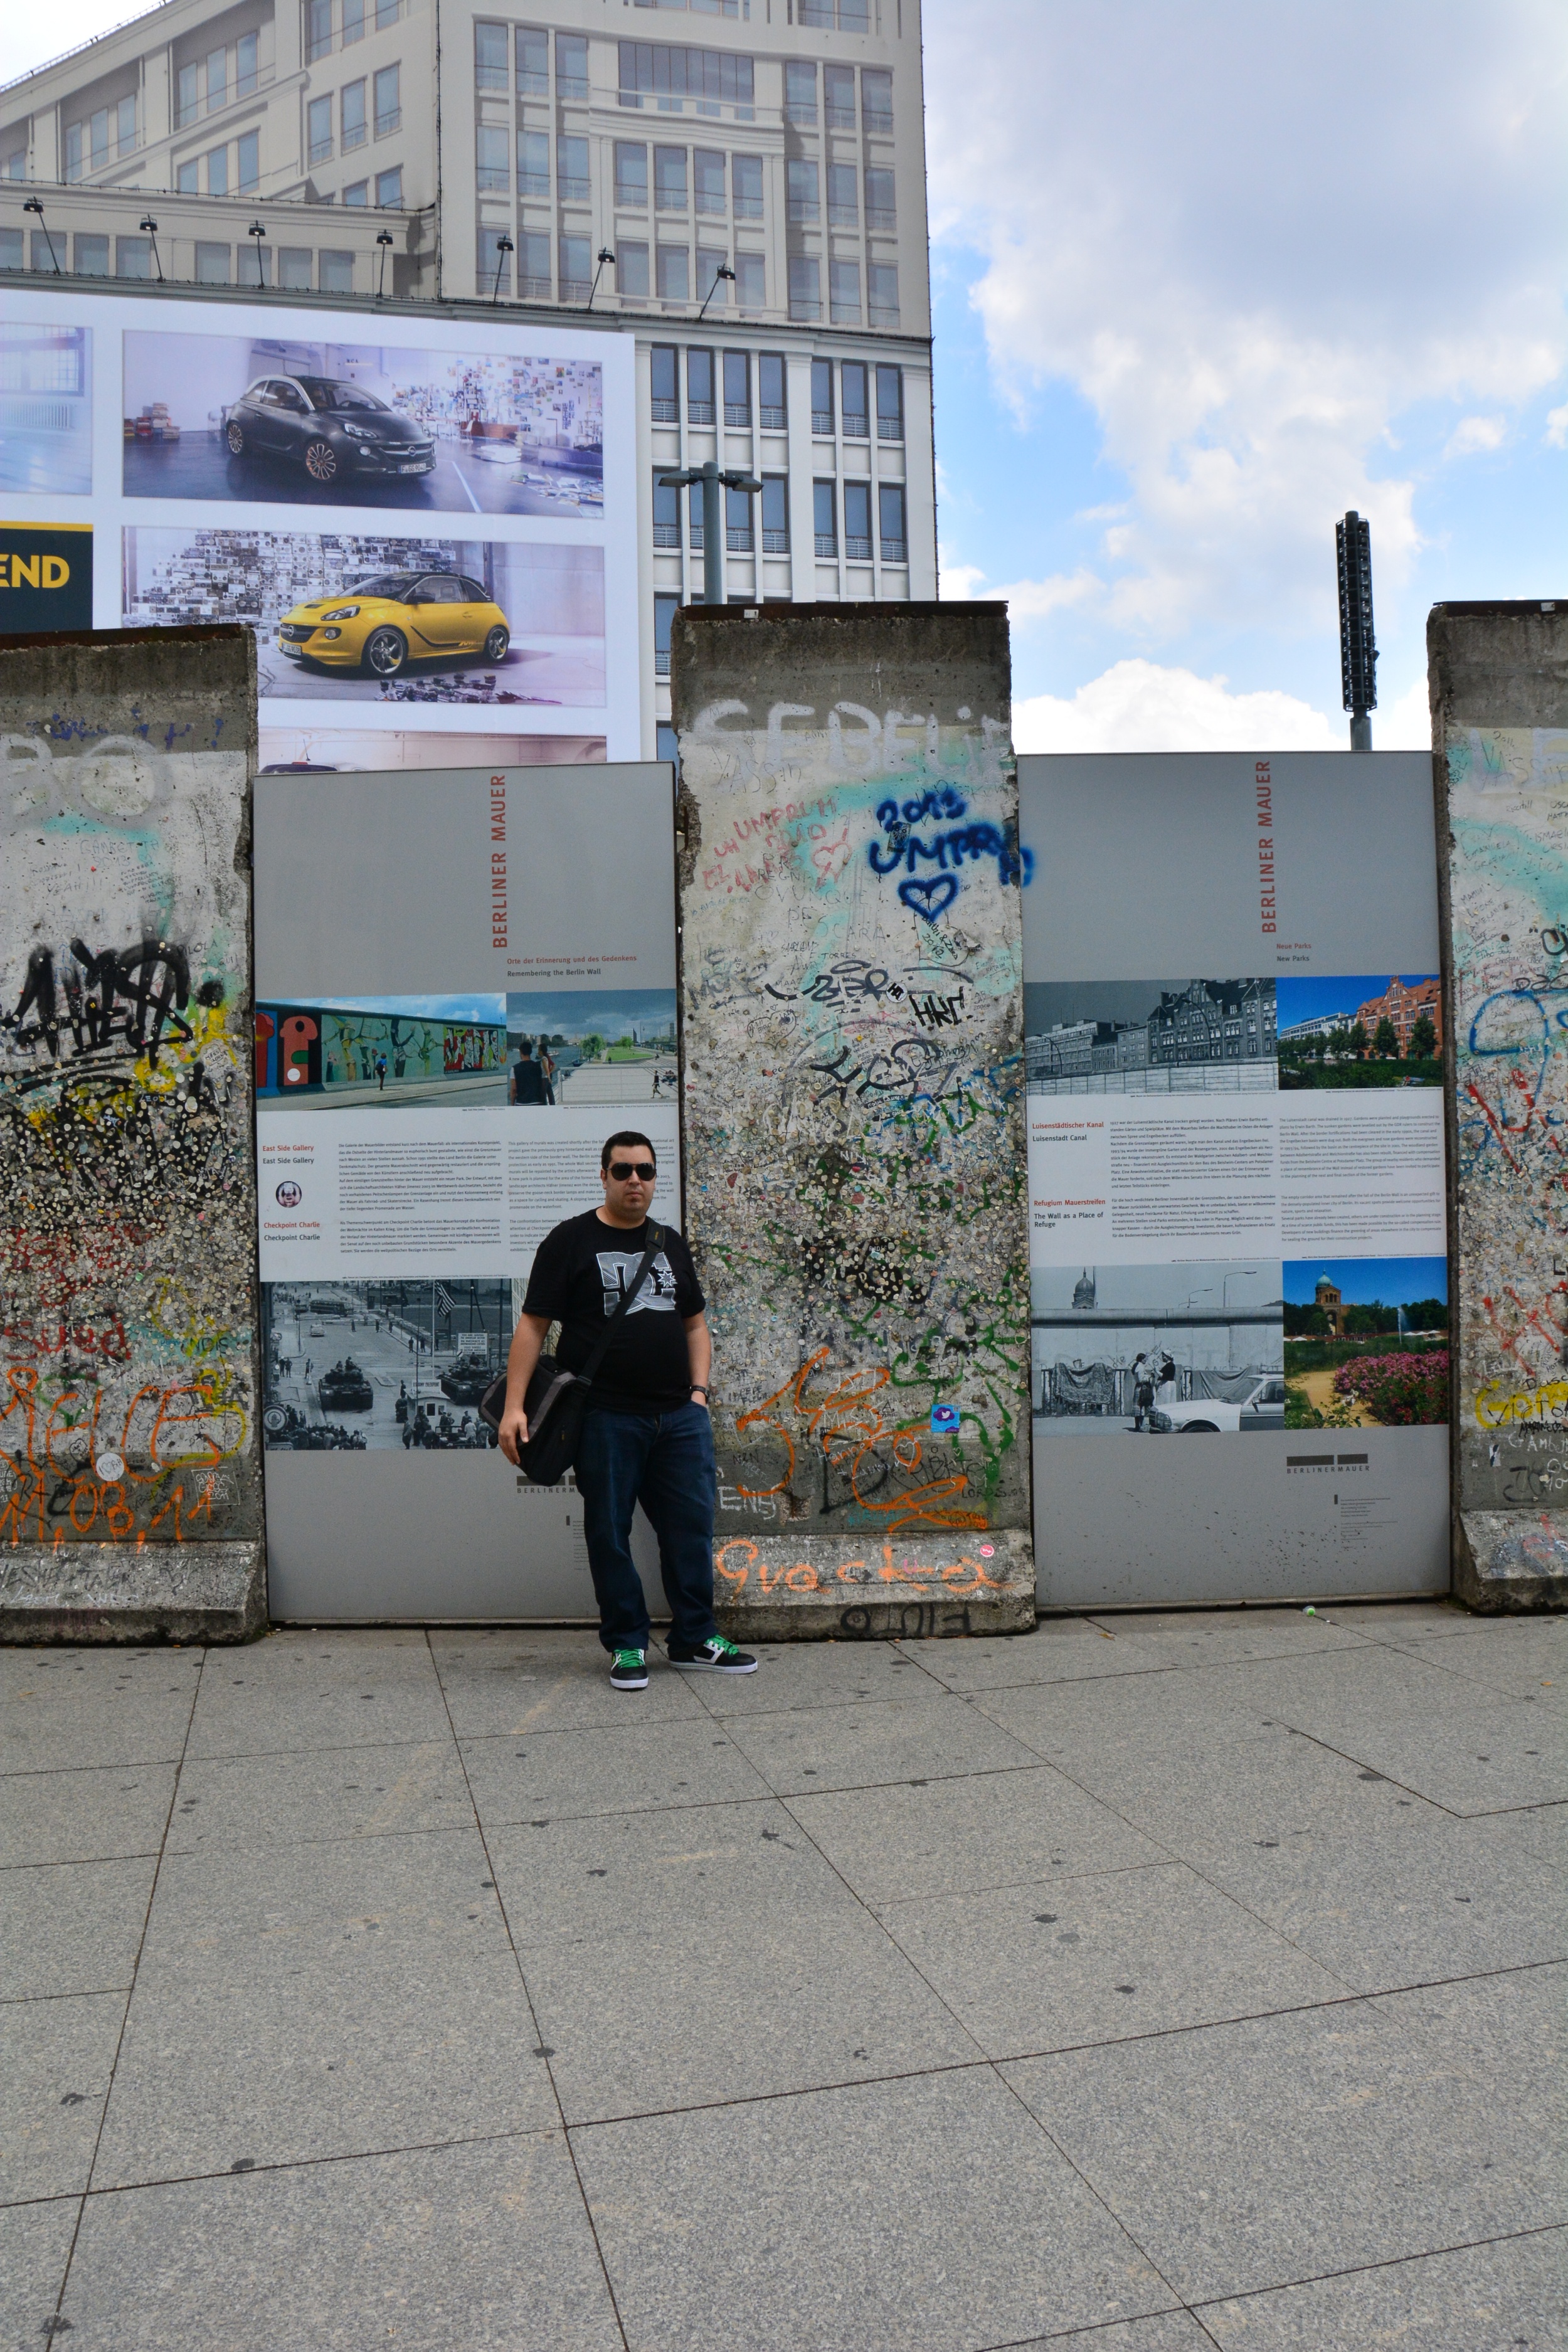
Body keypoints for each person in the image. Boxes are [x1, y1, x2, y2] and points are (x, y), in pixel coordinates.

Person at [497, 1129, 757, 1691]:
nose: (634, 1180)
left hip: (679, 1418)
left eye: (645, 1171)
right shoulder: (569, 1241)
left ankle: (694, 1637)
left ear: (654, 1178)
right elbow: (533, 1327)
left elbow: (695, 1326)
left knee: (690, 1530)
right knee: (609, 1533)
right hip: (606, 1417)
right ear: (604, 1176)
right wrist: (514, 1407)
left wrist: (699, 1394)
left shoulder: (669, 1242)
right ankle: (627, 1644)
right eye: (622, 1171)